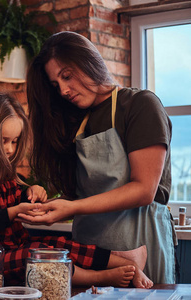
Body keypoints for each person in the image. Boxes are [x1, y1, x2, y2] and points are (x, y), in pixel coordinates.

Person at [0, 91, 152, 288]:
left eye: (15, 141)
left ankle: (127, 262)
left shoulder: (5, 177)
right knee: (35, 254)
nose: (10, 149)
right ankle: (101, 277)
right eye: (4, 141)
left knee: (58, 242)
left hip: (11, 252)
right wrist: (13, 212)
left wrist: (31, 193)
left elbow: (18, 200)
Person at [18, 31, 176, 284]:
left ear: (88, 60)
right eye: (56, 85)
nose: (64, 90)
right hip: (91, 252)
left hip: (139, 243)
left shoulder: (140, 105)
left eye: (67, 76)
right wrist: (49, 205)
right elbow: (85, 192)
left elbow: (144, 190)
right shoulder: (78, 121)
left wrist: (72, 207)